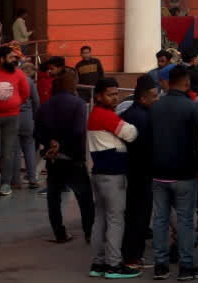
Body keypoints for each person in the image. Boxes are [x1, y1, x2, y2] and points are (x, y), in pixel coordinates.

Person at [148, 65, 198, 281]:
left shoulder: (155, 107)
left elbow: (149, 139)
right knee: (185, 220)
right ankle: (186, 267)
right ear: (186, 83)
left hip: (159, 172)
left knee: (160, 219)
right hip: (184, 173)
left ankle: (160, 266)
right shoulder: (192, 107)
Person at [86, 78, 140, 279]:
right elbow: (132, 134)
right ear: (99, 96)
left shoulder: (95, 115)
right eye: (111, 94)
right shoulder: (106, 116)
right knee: (116, 220)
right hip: (113, 176)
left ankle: (98, 263)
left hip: (99, 175)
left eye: (117, 93)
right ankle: (114, 265)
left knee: (100, 219)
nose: (115, 97)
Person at [35, 69, 95, 245]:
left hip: (53, 159)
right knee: (84, 198)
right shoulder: (78, 104)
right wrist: (61, 144)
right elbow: (78, 130)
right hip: (73, 157)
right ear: (72, 84)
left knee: (53, 197)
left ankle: (59, 233)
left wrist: (51, 144)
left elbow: (37, 132)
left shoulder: (44, 105)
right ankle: (89, 233)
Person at [120, 76, 158, 269]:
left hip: (132, 171)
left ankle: (133, 255)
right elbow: (146, 146)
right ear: (143, 98)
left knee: (135, 214)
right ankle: (132, 257)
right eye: (153, 96)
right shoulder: (143, 117)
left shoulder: (128, 113)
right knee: (139, 216)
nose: (156, 99)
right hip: (142, 172)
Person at [0, 44, 29, 196]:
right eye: (11, 58)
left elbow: (25, 93)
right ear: (1, 59)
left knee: (8, 152)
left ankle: (5, 183)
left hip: (12, 118)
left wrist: (14, 105)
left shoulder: (19, 74)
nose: (14, 60)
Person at [11, 61, 40, 189]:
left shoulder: (12, 80)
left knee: (16, 150)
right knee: (29, 148)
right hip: (28, 117)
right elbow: (36, 101)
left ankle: (16, 180)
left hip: (13, 116)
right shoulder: (29, 81)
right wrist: (35, 117)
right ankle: (32, 178)